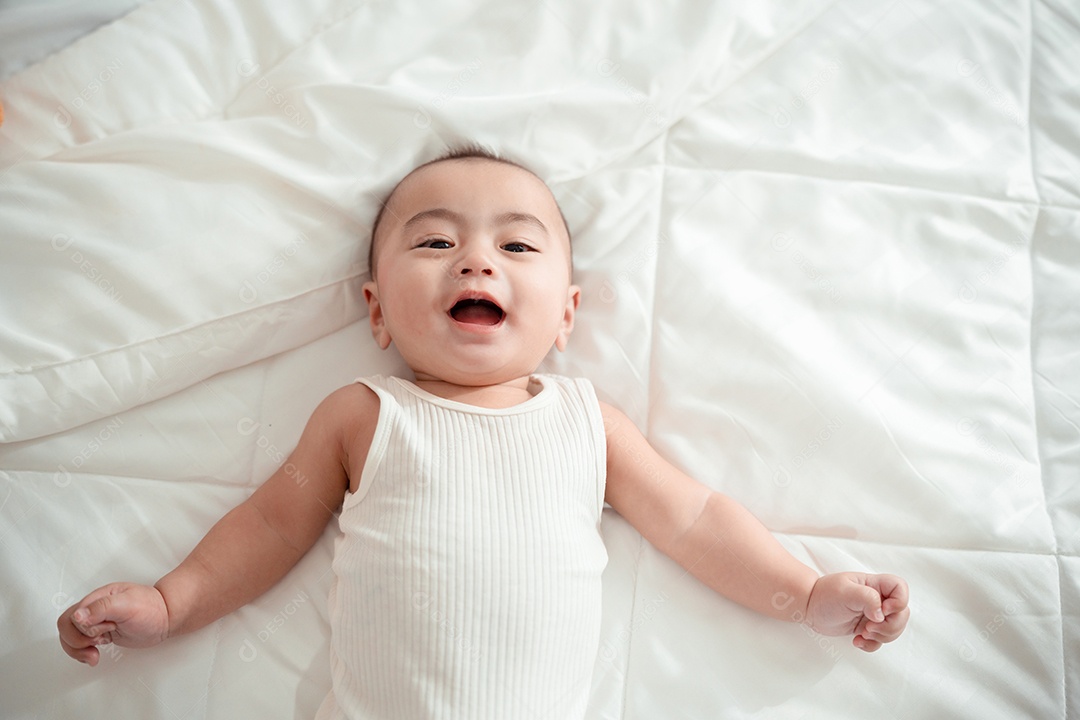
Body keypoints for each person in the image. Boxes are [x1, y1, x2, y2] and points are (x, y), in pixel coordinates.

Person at [57, 146, 910, 718]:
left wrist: (803, 593)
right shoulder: (366, 415)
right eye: (434, 240)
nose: (477, 261)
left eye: (518, 247)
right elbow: (271, 526)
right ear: (377, 310)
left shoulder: (586, 423)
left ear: (568, 314)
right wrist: (172, 603)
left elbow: (693, 522)